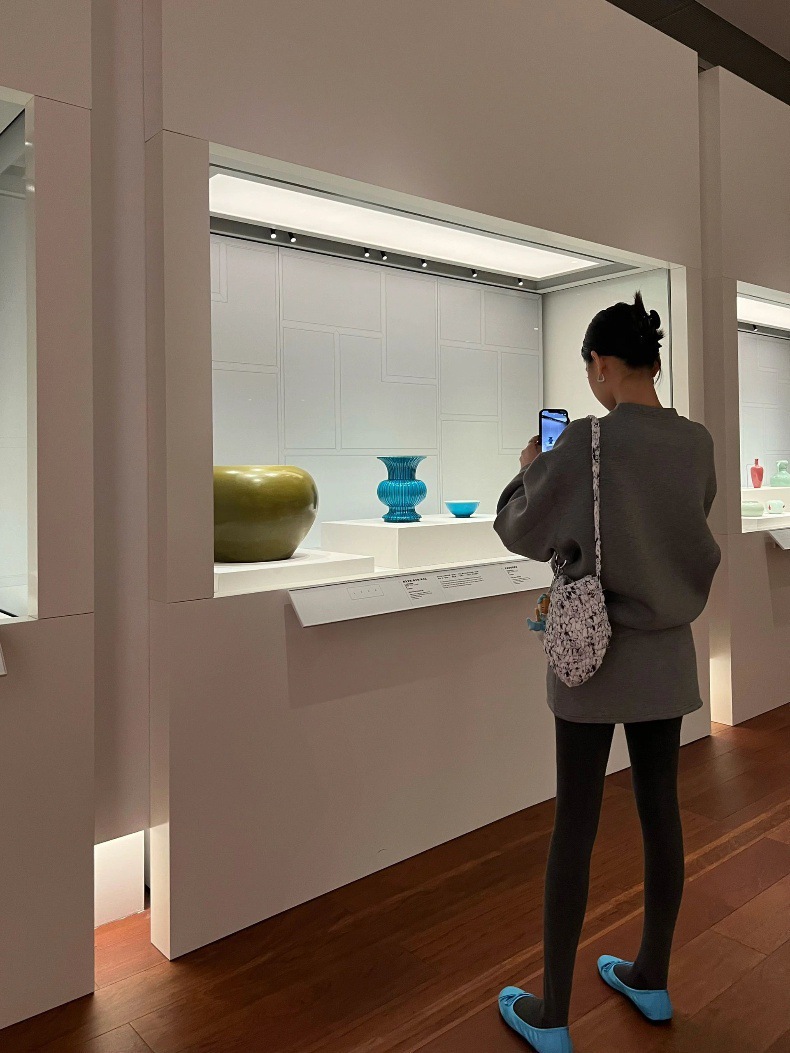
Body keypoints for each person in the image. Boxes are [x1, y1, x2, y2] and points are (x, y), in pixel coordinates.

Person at [493, 292, 720, 1053]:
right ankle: (650, 975)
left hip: (589, 657)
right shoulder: (696, 443)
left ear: (600, 364)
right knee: (662, 812)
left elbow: (521, 528)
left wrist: (528, 471)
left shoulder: (586, 440)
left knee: (576, 825)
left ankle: (553, 1014)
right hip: (666, 654)